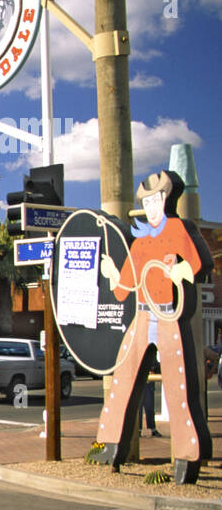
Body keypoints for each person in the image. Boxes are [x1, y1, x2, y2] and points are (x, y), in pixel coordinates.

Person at [90, 171, 213, 483]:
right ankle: (110, 445)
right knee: (123, 381)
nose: (152, 205)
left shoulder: (178, 228)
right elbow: (125, 287)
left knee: (179, 387)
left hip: (170, 315)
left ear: (166, 199)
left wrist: (179, 271)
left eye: (156, 199)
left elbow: (200, 263)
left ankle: (187, 457)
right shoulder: (141, 239)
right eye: (147, 201)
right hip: (143, 316)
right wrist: (112, 274)